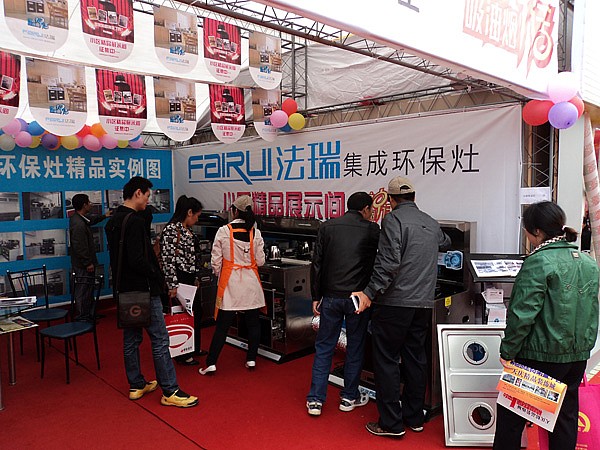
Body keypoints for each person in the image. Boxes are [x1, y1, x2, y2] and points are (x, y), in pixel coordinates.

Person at [493, 201, 599, 450]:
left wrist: (508, 350)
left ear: (537, 231)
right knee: (565, 417)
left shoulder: (538, 262)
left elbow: (522, 314)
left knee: (511, 417)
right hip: (576, 355)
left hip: (538, 355)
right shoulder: (587, 262)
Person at [353, 176, 450, 438]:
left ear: (391, 200)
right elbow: (445, 242)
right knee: (415, 359)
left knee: (386, 360)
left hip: (395, 302)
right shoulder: (430, 222)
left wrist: (369, 292)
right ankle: (414, 417)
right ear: (414, 197)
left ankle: (390, 424)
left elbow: (389, 262)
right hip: (423, 303)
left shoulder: (392, 220)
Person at [105, 176, 198, 408]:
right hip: (144, 289)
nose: (148, 201)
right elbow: (139, 259)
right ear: (138, 193)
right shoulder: (135, 222)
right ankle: (170, 390)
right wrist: (158, 277)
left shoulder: (113, 221)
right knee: (160, 339)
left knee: (131, 339)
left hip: (124, 288)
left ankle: (136, 385)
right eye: (147, 196)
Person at [306, 192, 380, 417]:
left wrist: (316, 296)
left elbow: (317, 263)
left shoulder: (328, 227)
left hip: (330, 296)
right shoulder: (372, 230)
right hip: (358, 298)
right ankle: (349, 397)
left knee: (324, 347)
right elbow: (379, 263)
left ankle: (315, 400)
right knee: (355, 347)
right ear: (365, 209)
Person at [199, 195, 266, 375]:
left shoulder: (223, 231)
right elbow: (260, 261)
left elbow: (215, 262)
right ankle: (251, 359)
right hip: (251, 283)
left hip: (230, 283)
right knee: (253, 323)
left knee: (222, 326)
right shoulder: (256, 233)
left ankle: (211, 362)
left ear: (235, 211)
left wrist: (219, 273)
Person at [159, 195, 206, 366]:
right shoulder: (172, 230)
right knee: (182, 315)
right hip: (179, 278)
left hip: (190, 277)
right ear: (189, 212)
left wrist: (196, 277)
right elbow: (168, 259)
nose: (197, 219)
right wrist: (172, 285)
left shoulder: (187, 230)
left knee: (195, 313)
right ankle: (183, 353)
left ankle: (194, 347)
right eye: (197, 215)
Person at [69, 193, 111, 322]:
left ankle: (89, 314)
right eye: (89, 202)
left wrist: (105, 216)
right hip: (83, 264)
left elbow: (91, 220)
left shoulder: (80, 218)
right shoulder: (78, 224)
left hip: (84, 263)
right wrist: (87, 263)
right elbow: (79, 246)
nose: (91, 204)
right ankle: (82, 316)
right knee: (83, 289)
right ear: (84, 205)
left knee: (88, 288)